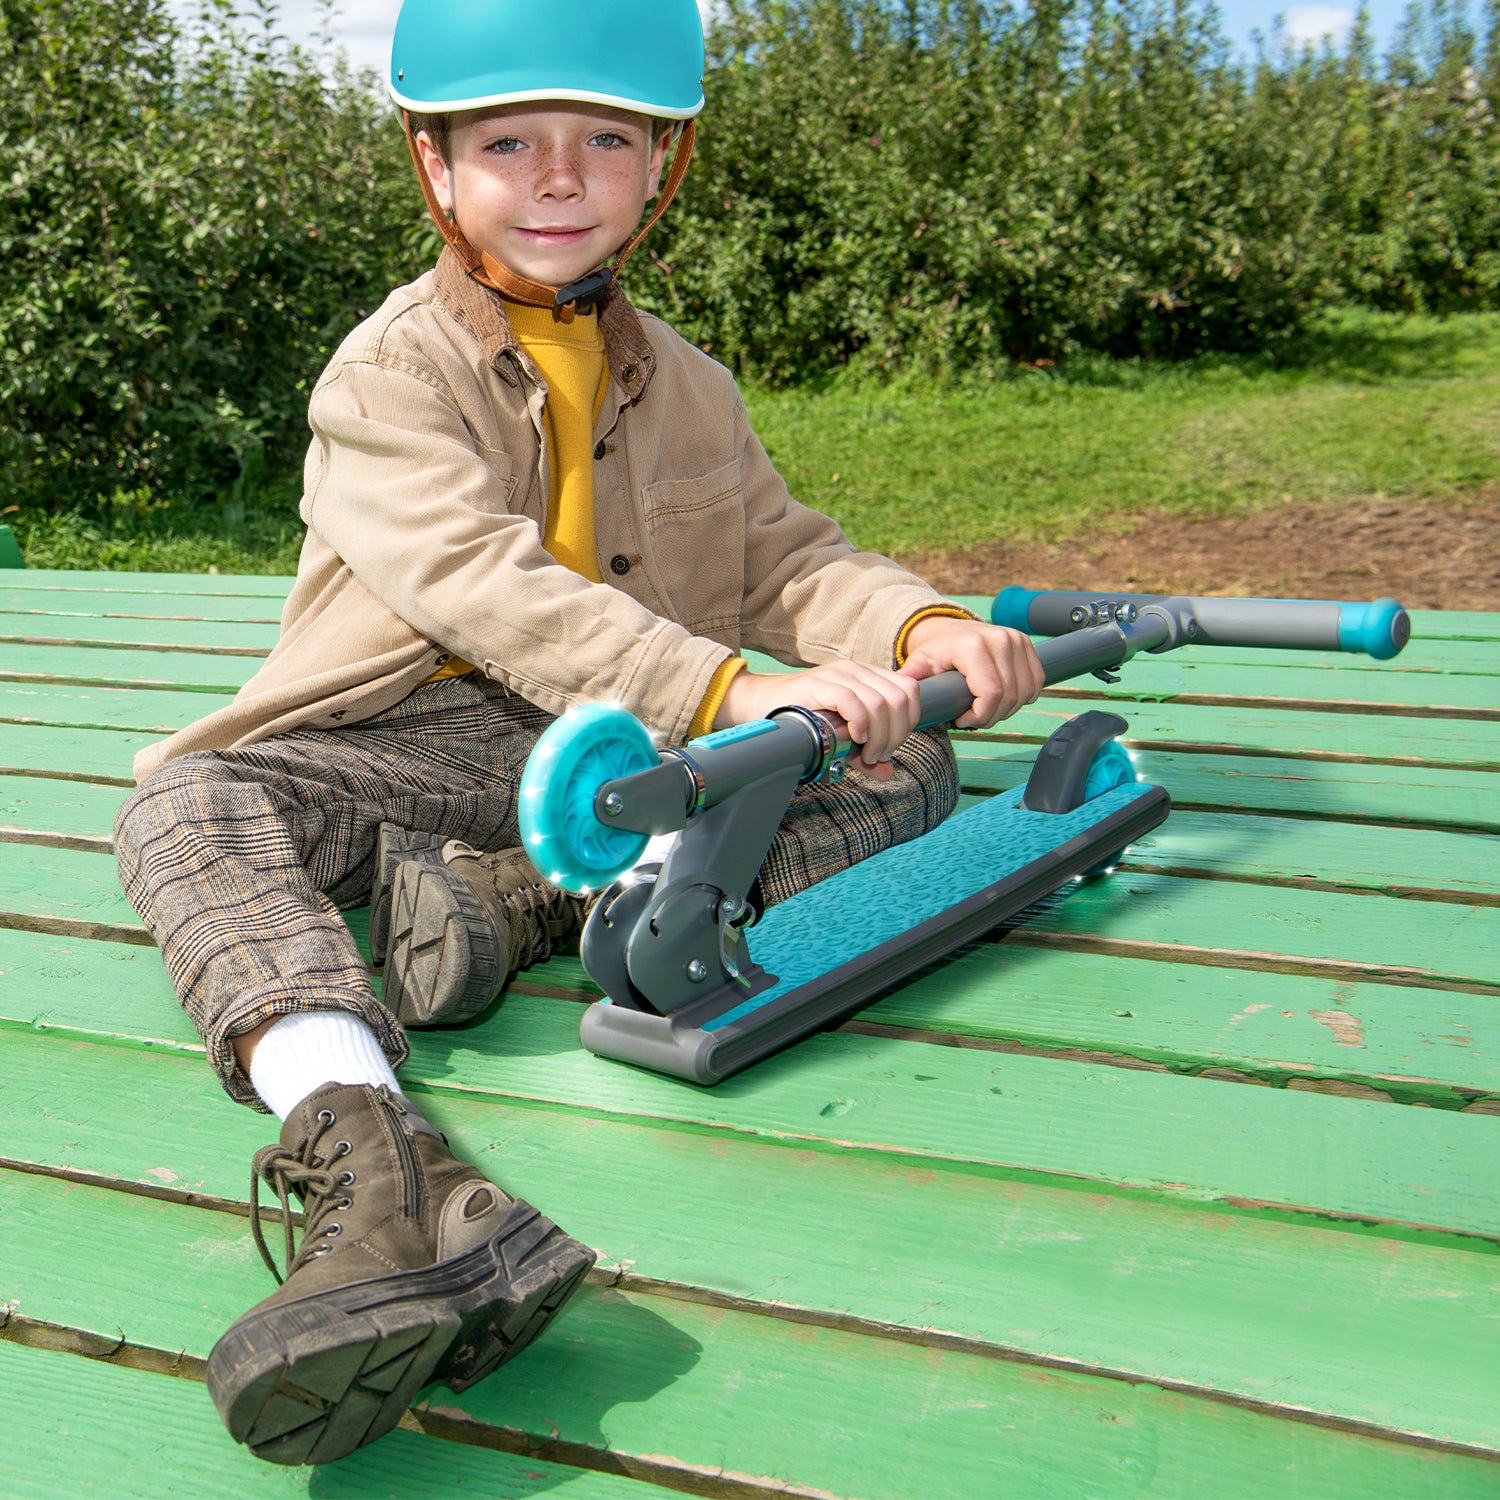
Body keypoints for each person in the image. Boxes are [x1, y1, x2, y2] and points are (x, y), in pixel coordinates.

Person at [113, 0, 1044, 1468]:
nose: (560, 176)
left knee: (906, 758)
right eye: (508, 143)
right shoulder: (385, 374)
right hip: (411, 736)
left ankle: (522, 900)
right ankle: (375, 1156)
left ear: (661, 164)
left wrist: (916, 626)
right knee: (185, 805)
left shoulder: (689, 383)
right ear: (435, 167)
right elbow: (482, 583)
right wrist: (728, 693)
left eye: (606, 138)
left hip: (615, 750)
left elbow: (788, 560)